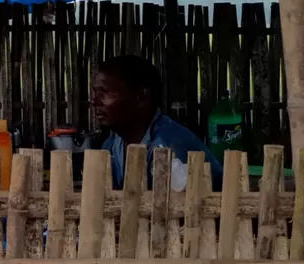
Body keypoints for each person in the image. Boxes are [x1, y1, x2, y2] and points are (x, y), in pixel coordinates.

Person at [92, 55, 221, 191]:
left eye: (104, 92)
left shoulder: (168, 147)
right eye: (95, 92)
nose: (94, 101)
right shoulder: (113, 144)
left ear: (140, 97)